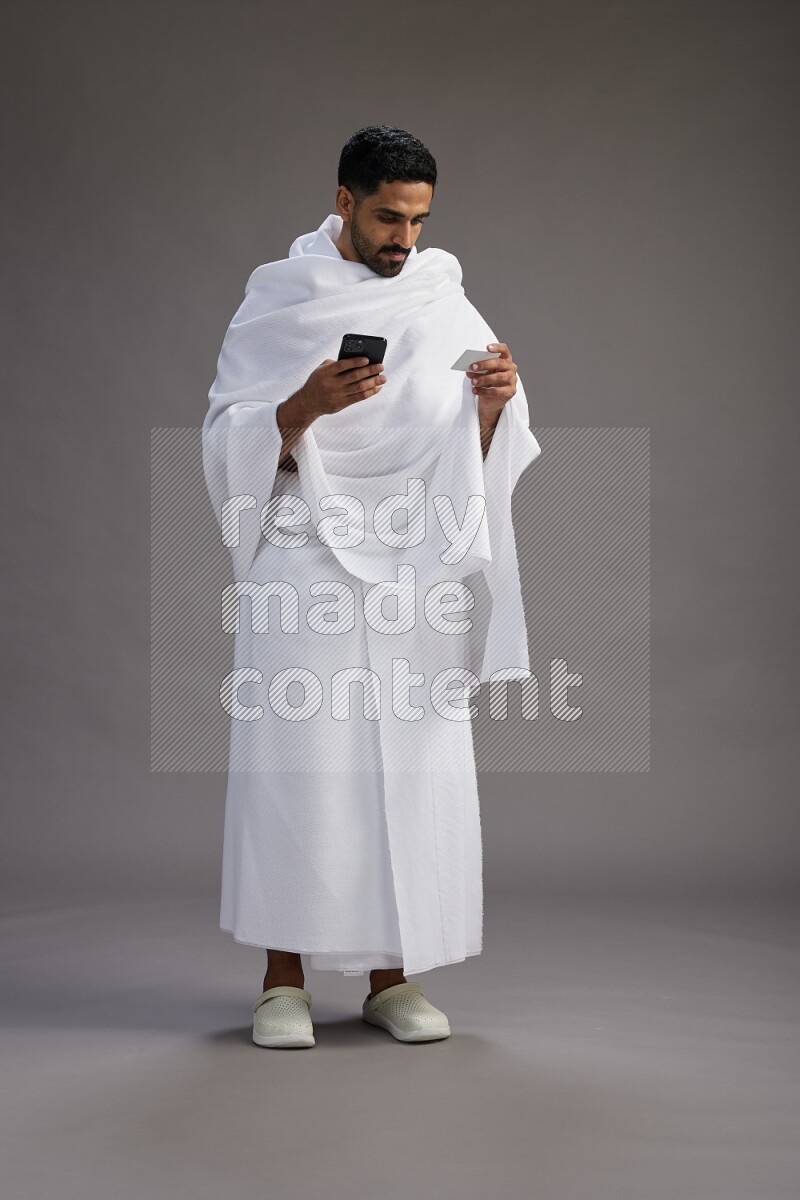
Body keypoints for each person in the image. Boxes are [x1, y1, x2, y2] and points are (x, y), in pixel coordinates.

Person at [202, 124, 541, 1048]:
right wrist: (303, 406)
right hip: (303, 555)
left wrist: (493, 406)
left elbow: (472, 453)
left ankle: (393, 977)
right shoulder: (280, 298)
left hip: (413, 564)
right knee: (297, 768)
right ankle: (282, 982)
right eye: (389, 217)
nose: (405, 239)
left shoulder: (442, 297)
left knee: (410, 766)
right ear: (344, 202)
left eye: (419, 220)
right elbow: (225, 438)